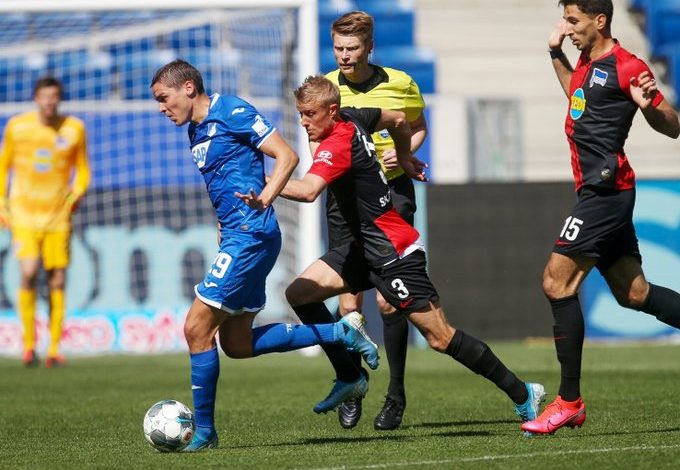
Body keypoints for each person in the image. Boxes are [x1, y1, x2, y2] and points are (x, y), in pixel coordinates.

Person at [282, 75, 545, 432]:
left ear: (332, 110)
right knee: (300, 293)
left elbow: (310, 190)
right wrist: (405, 157)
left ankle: (522, 392)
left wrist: (264, 184)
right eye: (300, 114)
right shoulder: (356, 115)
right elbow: (400, 120)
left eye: (309, 114)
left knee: (440, 337)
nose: (303, 122)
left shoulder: (338, 141)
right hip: (364, 249)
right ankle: (349, 375)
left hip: (393, 252)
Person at [150, 60, 380, 452]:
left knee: (195, 330)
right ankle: (339, 331)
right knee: (236, 344)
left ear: (188, 87)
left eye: (163, 98)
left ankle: (204, 433)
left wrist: (265, 198)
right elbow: (224, 183)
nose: (161, 107)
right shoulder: (196, 130)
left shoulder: (233, 111)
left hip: (251, 236)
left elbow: (286, 156)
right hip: (238, 237)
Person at [521, 0, 680, 435]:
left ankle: (569, 401)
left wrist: (650, 106)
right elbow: (576, 94)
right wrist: (556, 53)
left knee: (556, 282)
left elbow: (673, 125)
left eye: (573, 21)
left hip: (604, 193)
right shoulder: (587, 64)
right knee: (635, 293)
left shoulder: (628, 66)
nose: (567, 28)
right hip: (604, 191)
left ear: (600, 20)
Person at [320, 10, 430, 431]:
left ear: (370, 48)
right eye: (338, 48)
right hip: (346, 202)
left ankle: (396, 395)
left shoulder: (400, 83)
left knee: (390, 299)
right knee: (349, 301)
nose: (344, 56)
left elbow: (417, 126)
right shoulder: (327, 88)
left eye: (352, 48)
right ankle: (352, 381)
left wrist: (401, 153)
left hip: (393, 196)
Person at [0, 77, 90, 368]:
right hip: (24, 213)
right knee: (27, 273)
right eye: (44, 96)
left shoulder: (74, 128)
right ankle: (28, 346)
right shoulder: (17, 126)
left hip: (57, 216)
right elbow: (4, 167)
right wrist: (2, 203)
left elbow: (84, 170)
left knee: (58, 278)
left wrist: (76, 193)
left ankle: (54, 348)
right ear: (36, 98)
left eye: (54, 96)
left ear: (59, 99)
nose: (49, 102)